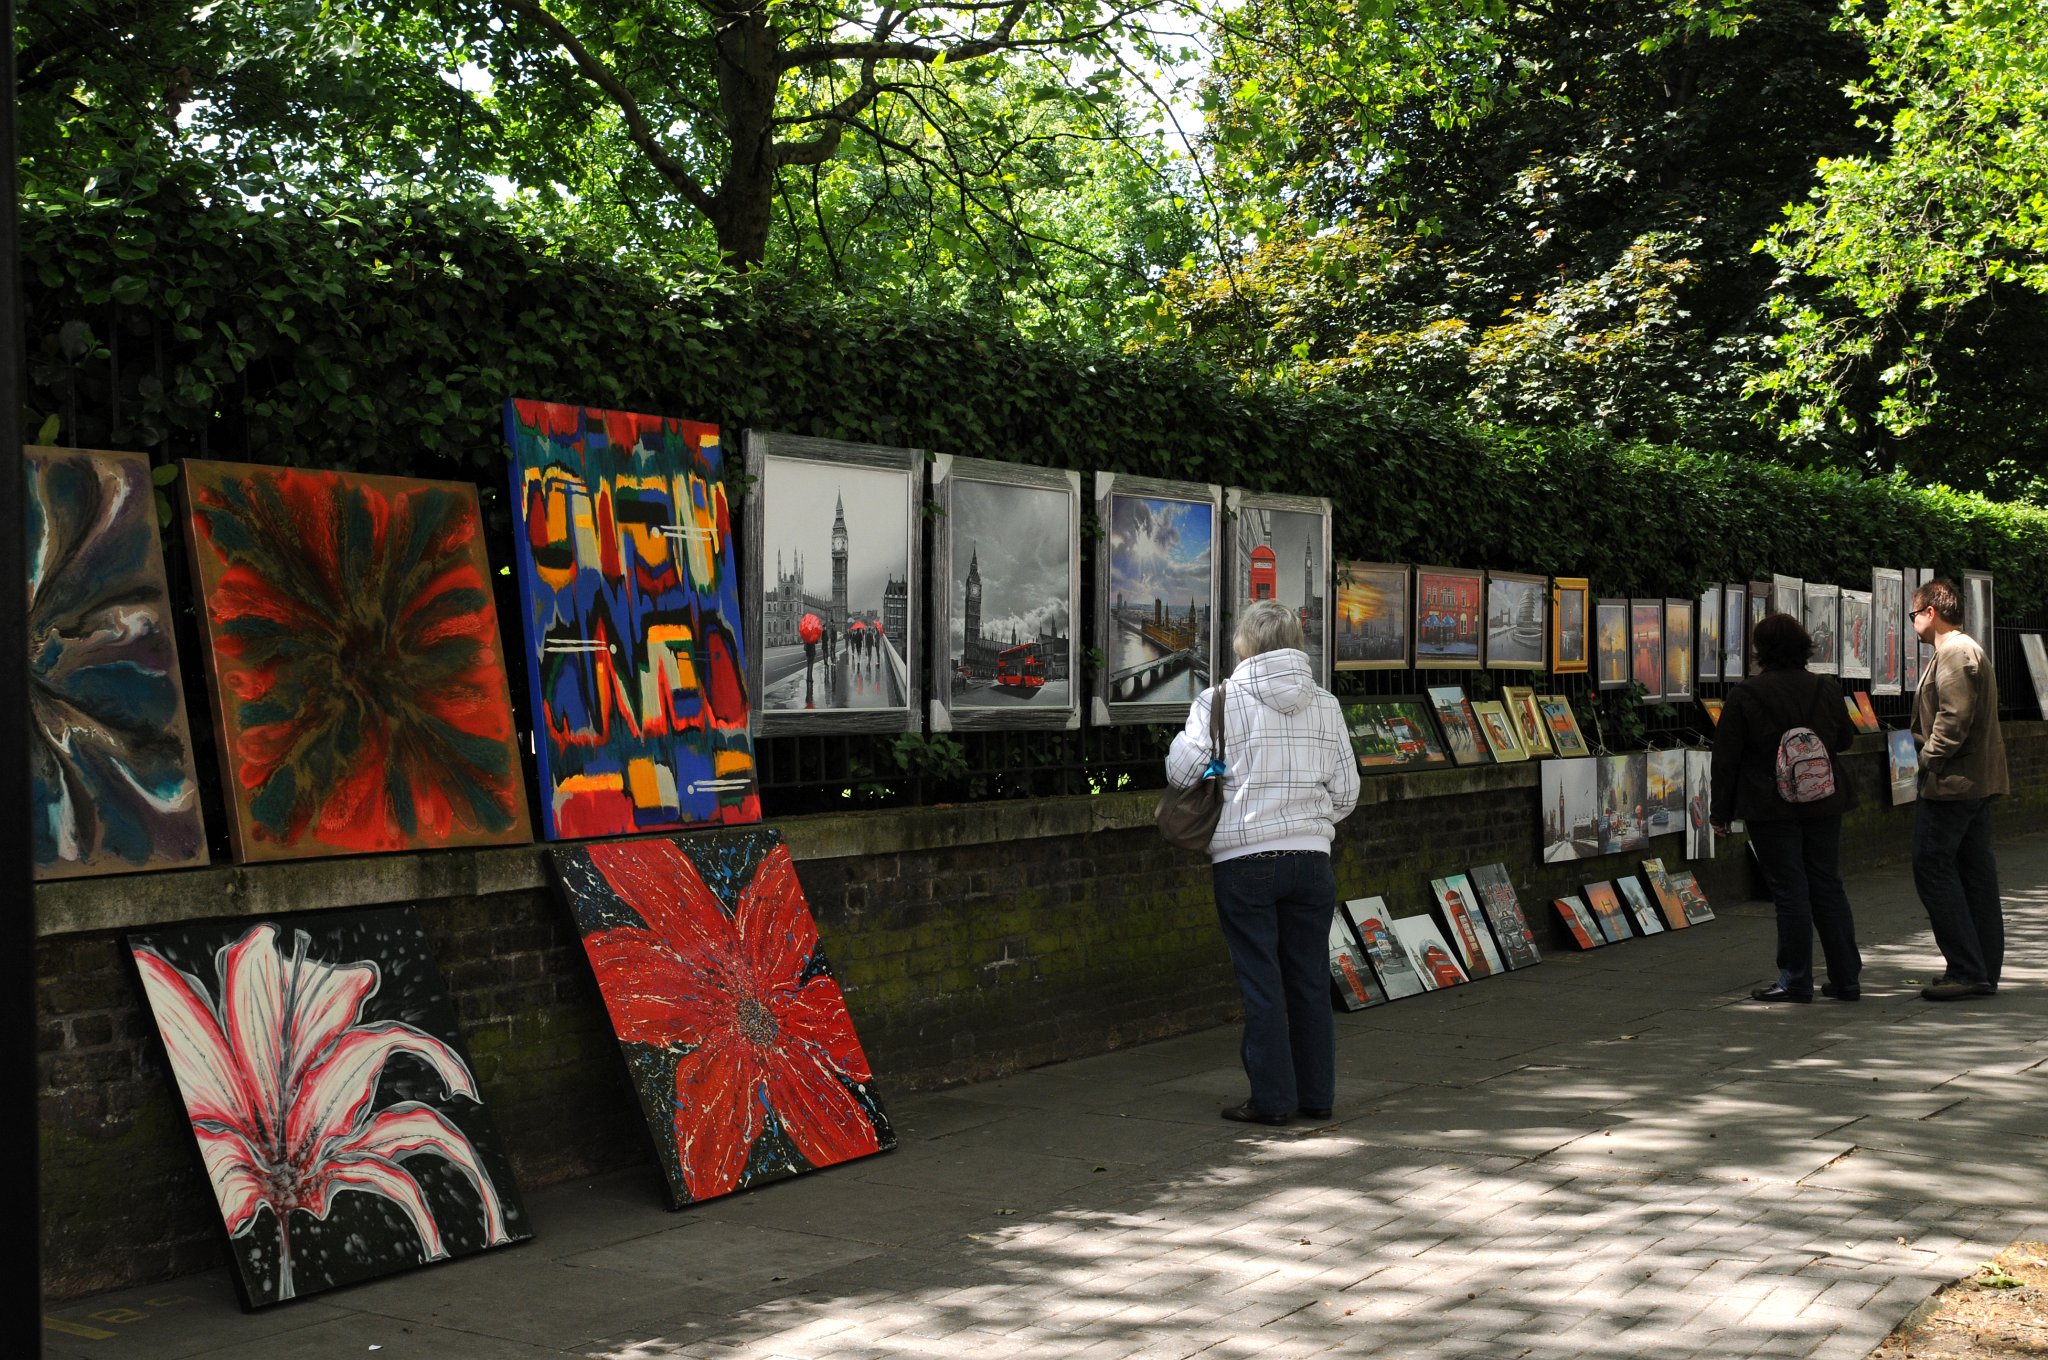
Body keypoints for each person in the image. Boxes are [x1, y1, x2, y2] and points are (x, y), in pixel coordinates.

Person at [1165, 599, 1360, 1124]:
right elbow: (1347, 791)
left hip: (1244, 861)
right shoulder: (1325, 704)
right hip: (1311, 862)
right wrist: (1310, 826)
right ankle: (1317, 1097)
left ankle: (1272, 1100)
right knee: (1310, 980)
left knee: (1261, 981)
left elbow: (1183, 773)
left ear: (1245, 644)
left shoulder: (1219, 701)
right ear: (1297, 642)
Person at [1710, 612, 1861, 1003]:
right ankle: (1846, 978)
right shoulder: (1826, 689)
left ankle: (1796, 979)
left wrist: (1720, 813)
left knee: (1790, 890)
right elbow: (1844, 740)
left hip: (1769, 805)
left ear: (1761, 650)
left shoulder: (1746, 694)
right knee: (1827, 885)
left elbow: (1726, 758)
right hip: (1823, 800)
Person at [1909, 578, 2008, 1001]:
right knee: (1974, 872)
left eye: (1914, 614)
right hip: (1974, 780)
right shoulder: (1964, 650)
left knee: (1931, 866)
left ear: (1931, 611)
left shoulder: (1954, 652)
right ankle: (1981, 967)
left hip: (1954, 784)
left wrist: (1929, 759)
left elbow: (1954, 716)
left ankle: (1967, 968)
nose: (1913, 621)